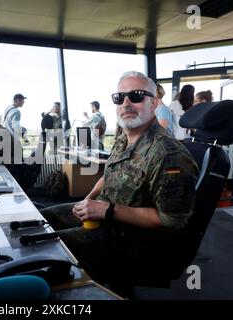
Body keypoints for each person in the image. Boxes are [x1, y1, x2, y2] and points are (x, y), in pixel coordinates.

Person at [40, 71, 199, 289]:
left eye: (136, 96)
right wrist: (87, 200)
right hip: (106, 216)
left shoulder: (169, 155)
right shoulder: (124, 138)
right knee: (42, 220)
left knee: (47, 248)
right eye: (119, 97)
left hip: (131, 240)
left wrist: (106, 210)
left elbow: (171, 220)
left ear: (153, 103)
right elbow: (110, 173)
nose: (126, 103)